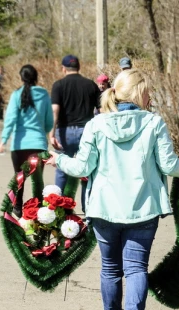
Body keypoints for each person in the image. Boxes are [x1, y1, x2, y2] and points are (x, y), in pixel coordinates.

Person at [46, 69, 179, 310]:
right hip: (143, 209)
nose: (151, 96)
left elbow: (82, 168)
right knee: (136, 268)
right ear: (138, 93)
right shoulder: (153, 123)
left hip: (104, 209)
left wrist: (59, 159)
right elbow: (168, 165)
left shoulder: (97, 124)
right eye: (148, 91)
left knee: (110, 269)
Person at [0, 65, 53, 218]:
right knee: (37, 180)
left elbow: (10, 119)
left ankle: (17, 206)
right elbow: (49, 121)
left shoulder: (16, 95)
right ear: (36, 77)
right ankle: (39, 211)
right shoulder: (44, 95)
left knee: (19, 177)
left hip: (19, 145)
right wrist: (44, 132)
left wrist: (3, 140)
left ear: (21, 78)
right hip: (38, 144)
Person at [50, 54, 101, 212]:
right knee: (87, 169)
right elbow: (101, 109)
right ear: (79, 67)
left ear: (63, 68)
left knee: (61, 167)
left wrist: (51, 134)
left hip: (64, 132)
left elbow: (55, 111)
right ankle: (88, 208)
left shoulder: (58, 85)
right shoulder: (91, 85)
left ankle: (58, 207)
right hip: (86, 131)